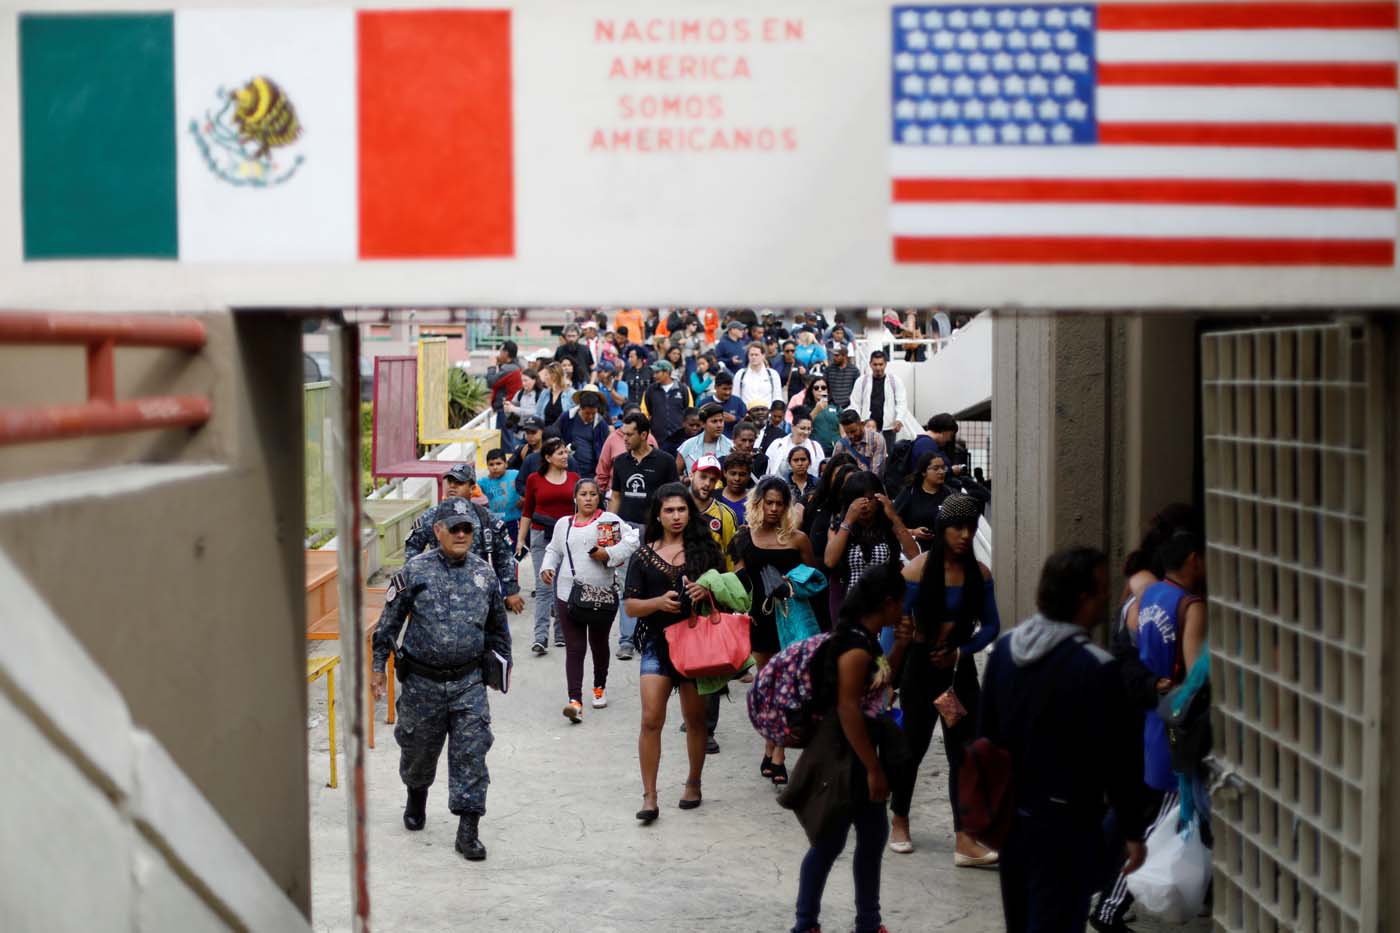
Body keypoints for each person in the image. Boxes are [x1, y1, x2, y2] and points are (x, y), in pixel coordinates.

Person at [980, 547, 1148, 931]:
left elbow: (985, 737)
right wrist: (1132, 832)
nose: (1108, 599)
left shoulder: (1005, 650)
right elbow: (1118, 761)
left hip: (1012, 820)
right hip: (1067, 826)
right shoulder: (1096, 668)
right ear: (1082, 599)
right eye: (1102, 590)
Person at [370, 499, 512, 861]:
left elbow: (498, 627)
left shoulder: (485, 574)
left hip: (468, 683)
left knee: (472, 753)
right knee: (418, 752)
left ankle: (468, 831)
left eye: (467, 528)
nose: (462, 534)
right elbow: (387, 626)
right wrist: (376, 669)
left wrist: (501, 667)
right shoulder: (414, 572)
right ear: (438, 531)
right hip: (422, 683)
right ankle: (416, 794)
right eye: (455, 528)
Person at [1095, 531, 1209, 932]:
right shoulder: (1191, 606)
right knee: (1152, 822)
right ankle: (1109, 906)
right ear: (1194, 559)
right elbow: (1197, 675)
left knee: (1147, 813)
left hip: (1150, 716)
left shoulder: (1152, 596)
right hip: (1175, 724)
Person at [788, 560, 908, 933]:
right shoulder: (854, 648)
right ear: (888, 603)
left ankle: (867, 923)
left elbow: (881, 679)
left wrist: (902, 642)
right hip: (847, 758)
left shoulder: (864, 639)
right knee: (830, 842)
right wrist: (872, 768)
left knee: (870, 839)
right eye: (901, 603)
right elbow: (849, 708)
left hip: (857, 753)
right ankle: (806, 923)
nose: (904, 610)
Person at [889, 495, 1001, 863]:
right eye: (957, 527)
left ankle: (964, 838)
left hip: (958, 670)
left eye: (970, 527)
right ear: (941, 530)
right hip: (920, 669)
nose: (965, 535)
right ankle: (900, 820)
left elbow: (992, 627)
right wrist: (889, 671)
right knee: (913, 749)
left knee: (965, 754)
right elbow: (897, 627)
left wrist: (961, 652)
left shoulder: (980, 575)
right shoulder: (917, 572)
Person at [625, 483, 727, 822]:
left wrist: (707, 589)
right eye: (669, 510)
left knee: (696, 721)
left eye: (682, 509)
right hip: (656, 644)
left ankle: (694, 782)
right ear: (658, 514)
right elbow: (630, 607)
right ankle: (650, 796)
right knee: (650, 719)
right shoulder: (642, 555)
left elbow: (730, 594)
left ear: (690, 512)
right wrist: (656, 603)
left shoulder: (706, 552)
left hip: (697, 647)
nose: (676, 516)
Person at [730, 477, 818, 785]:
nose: (774, 508)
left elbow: (813, 578)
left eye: (780, 504)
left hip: (791, 619)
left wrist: (791, 584)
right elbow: (737, 579)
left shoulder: (798, 539)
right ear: (758, 503)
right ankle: (770, 747)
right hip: (759, 619)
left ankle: (777, 753)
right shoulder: (745, 537)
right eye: (768, 502)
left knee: (787, 688)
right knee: (767, 688)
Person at [540, 479, 639, 721]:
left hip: (601, 594)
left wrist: (609, 553)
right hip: (567, 593)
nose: (587, 498)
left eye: (593, 494)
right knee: (574, 648)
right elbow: (554, 549)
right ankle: (575, 701)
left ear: (599, 498)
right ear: (575, 498)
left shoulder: (609, 521)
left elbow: (633, 540)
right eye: (583, 494)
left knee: (598, 643)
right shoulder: (564, 524)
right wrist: (547, 567)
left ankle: (599, 687)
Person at [404, 465, 523, 612]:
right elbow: (412, 547)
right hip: (437, 595)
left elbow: (504, 555)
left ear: (472, 488)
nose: (452, 486)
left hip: (477, 593)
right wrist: (414, 583)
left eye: (459, 483)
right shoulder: (431, 517)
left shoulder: (486, 518)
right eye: (450, 482)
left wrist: (511, 590)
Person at [609, 412, 680, 660]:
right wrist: (609, 529)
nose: (625, 439)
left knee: (658, 582)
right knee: (626, 584)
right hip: (626, 530)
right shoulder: (619, 462)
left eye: (629, 434)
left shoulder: (665, 461)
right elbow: (616, 496)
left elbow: (674, 496)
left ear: (644, 434)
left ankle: (657, 635)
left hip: (655, 531)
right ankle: (627, 640)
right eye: (623, 434)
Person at [818, 471, 918, 621]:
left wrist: (894, 517)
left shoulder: (888, 526)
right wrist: (848, 521)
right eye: (857, 500)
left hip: (886, 604)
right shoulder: (839, 527)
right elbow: (830, 561)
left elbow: (914, 555)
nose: (864, 506)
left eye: (869, 499)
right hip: (851, 604)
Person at [518, 438, 580, 654]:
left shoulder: (574, 478)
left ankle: (562, 633)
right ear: (548, 457)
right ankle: (540, 637)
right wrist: (520, 540)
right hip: (540, 537)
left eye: (566, 452)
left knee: (565, 586)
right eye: (560, 453)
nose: (565, 456)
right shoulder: (534, 479)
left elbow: (582, 510)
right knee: (543, 587)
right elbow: (527, 511)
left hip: (568, 538)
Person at [550, 386, 610, 481]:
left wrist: (599, 473)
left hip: (591, 472)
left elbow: (605, 451)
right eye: (587, 413)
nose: (590, 417)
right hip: (567, 469)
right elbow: (553, 435)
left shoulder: (601, 424)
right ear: (580, 408)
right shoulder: (567, 418)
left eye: (593, 413)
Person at [893, 453, 950, 553]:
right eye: (936, 468)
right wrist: (912, 532)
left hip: (941, 550)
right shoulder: (910, 492)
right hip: (913, 550)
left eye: (943, 468)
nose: (941, 472)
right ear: (924, 472)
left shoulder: (948, 494)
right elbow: (893, 524)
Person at [851, 351, 908, 451]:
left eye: (881, 364)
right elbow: (855, 403)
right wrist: (859, 422)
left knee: (887, 458)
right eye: (875, 364)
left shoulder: (895, 381)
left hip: (888, 429)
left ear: (885, 364)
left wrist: (899, 419)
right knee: (865, 456)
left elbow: (901, 402)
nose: (878, 368)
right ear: (870, 364)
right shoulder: (861, 381)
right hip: (866, 428)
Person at [641, 360, 691, 455]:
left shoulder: (683, 389)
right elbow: (645, 413)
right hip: (658, 439)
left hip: (680, 440)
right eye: (654, 373)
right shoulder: (650, 390)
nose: (654, 375)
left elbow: (690, 412)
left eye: (657, 372)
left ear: (667, 372)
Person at [478, 448, 523, 550]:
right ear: (487, 466)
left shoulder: (515, 474)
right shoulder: (483, 482)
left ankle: (514, 566)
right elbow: (472, 491)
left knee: (515, 550)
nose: (495, 467)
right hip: (496, 523)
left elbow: (527, 487)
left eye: (498, 463)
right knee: (500, 550)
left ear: (506, 464)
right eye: (491, 464)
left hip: (515, 521)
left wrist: (524, 498)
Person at [764, 413, 827, 482]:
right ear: (793, 427)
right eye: (802, 428)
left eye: (809, 429)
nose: (806, 432)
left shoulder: (816, 447)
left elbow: (821, 470)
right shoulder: (777, 444)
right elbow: (767, 468)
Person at [676, 402, 734, 475]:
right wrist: (687, 480)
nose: (719, 425)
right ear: (703, 424)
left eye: (721, 421)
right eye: (714, 421)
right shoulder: (687, 446)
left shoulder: (731, 447)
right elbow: (676, 475)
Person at [837, 409, 887, 476]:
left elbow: (876, 473)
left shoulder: (877, 440)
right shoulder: (840, 445)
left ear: (862, 424)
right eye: (847, 432)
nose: (850, 436)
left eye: (853, 431)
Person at [735, 342, 784, 410]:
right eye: (751, 355)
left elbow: (777, 398)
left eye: (756, 355)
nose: (753, 357)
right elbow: (735, 397)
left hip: (767, 415)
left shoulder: (773, 374)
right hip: (746, 416)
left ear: (763, 355)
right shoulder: (740, 374)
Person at [698, 370, 746, 436]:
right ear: (715, 387)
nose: (728, 392)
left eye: (730, 389)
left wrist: (735, 419)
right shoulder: (704, 403)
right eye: (725, 389)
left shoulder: (738, 402)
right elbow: (698, 424)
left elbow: (747, 423)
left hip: (732, 442)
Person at [509, 417, 544, 490]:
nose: (530, 436)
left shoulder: (550, 450)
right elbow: (509, 466)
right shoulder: (522, 450)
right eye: (527, 433)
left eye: (533, 432)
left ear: (542, 431)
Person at [824, 343, 860, 412]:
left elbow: (856, 389)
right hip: (832, 406)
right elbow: (825, 387)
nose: (834, 357)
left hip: (849, 406)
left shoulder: (854, 371)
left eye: (837, 355)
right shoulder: (828, 370)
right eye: (834, 355)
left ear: (844, 356)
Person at [718, 451, 754, 518]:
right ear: (725, 473)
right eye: (733, 474)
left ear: (749, 475)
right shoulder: (713, 497)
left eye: (742, 474)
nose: (737, 479)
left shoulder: (754, 500)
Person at [594, 359, 629, 424]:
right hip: (602, 424)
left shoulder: (621, 384)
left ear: (608, 373)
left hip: (618, 424)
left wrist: (610, 388)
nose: (597, 374)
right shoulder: (597, 387)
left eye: (599, 372)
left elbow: (621, 402)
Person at [786, 446, 817, 511]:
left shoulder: (818, 484)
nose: (800, 464)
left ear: (809, 462)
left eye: (803, 459)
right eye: (796, 460)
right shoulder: (784, 486)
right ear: (790, 463)